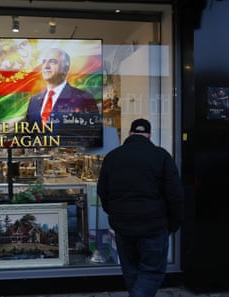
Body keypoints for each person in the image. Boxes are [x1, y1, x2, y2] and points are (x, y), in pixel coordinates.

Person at [97, 118, 184, 297]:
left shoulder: (113, 157)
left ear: (130, 134)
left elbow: (102, 191)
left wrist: (113, 213)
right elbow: (175, 194)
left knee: (130, 269)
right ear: (149, 135)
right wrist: (173, 224)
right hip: (153, 225)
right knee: (152, 271)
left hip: (123, 225)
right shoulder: (161, 156)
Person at [23, 48, 102, 146]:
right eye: (44, 62)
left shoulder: (83, 98)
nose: (46, 66)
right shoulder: (34, 100)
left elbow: (93, 134)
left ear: (66, 68)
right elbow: (27, 133)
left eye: (52, 62)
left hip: (71, 157)